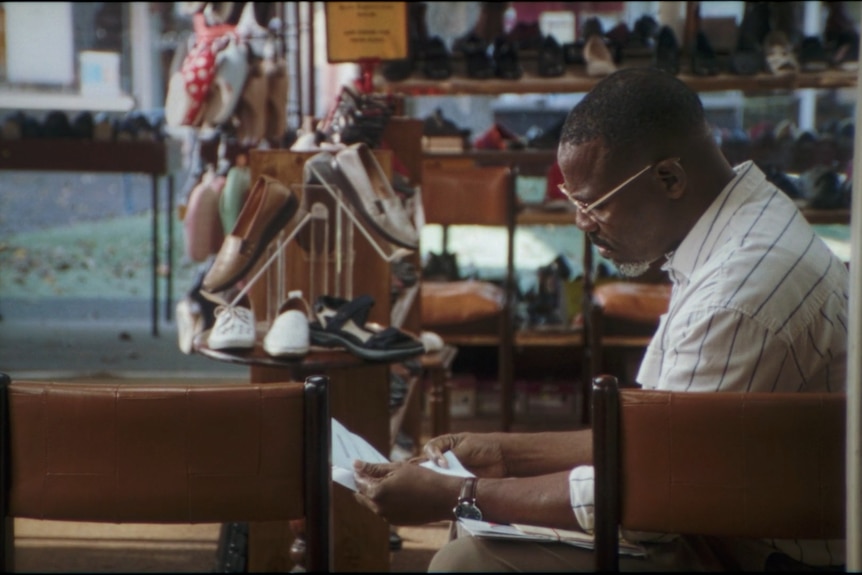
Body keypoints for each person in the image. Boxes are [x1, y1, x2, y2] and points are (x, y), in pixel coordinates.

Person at [353, 68, 849, 572]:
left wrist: (458, 495)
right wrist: (505, 455)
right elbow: (662, 441)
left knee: (467, 564)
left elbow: (653, 496)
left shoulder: (737, 293)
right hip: (727, 513)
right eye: (573, 201)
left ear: (670, 178)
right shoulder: (743, 227)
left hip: (764, 556)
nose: (581, 222)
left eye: (595, 203)